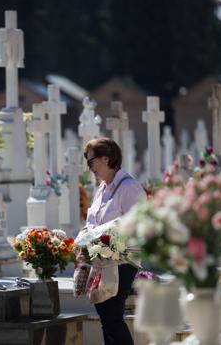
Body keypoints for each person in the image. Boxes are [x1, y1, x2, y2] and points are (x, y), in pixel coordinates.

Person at [81, 137, 146, 345]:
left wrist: (102, 233)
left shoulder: (129, 187)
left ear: (107, 159)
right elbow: (92, 220)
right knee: (105, 318)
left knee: (113, 318)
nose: (89, 166)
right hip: (102, 257)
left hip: (124, 261)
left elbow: (138, 224)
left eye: (91, 161)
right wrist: (87, 235)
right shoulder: (102, 189)